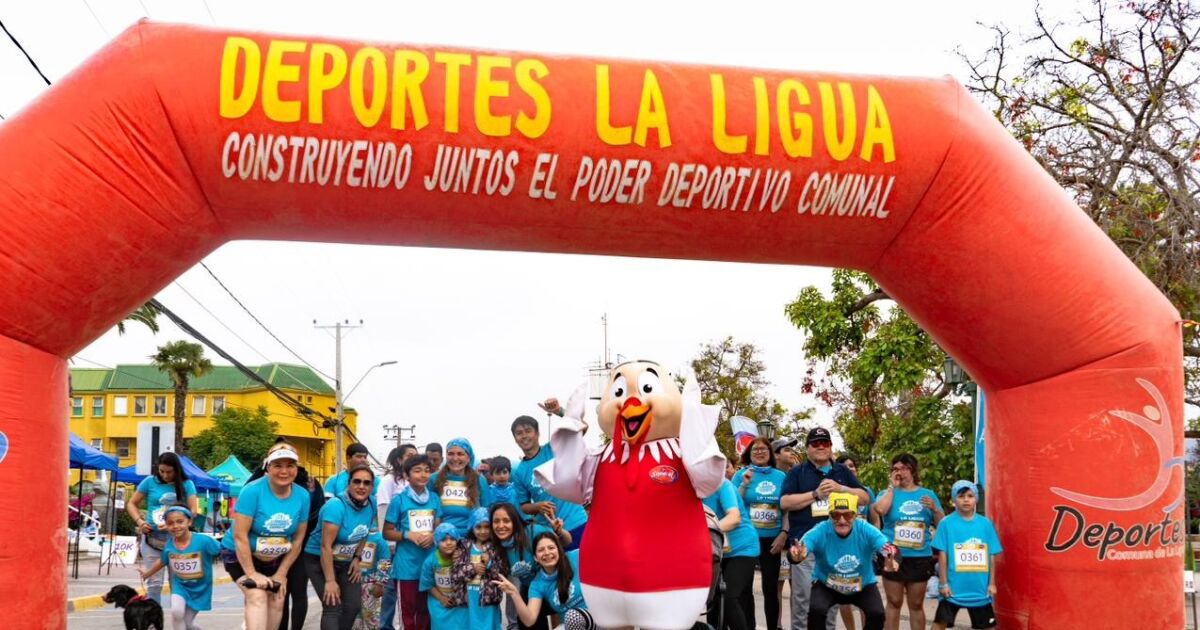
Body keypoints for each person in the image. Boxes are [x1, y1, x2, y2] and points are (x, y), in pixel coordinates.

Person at [780, 427, 870, 630]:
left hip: (835, 548)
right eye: (815, 443)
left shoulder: (842, 472)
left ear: (830, 447)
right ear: (808, 448)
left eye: (825, 443)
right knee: (803, 600)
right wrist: (815, 494)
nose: (821, 446)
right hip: (805, 546)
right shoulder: (797, 472)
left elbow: (865, 498)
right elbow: (785, 502)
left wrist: (842, 489)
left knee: (830, 604)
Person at [223, 442, 311, 630]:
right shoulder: (252, 491)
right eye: (277, 465)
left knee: (277, 597)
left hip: (275, 559)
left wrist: (281, 573)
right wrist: (252, 573)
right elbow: (240, 536)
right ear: (267, 468)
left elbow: (297, 539)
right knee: (257, 595)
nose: (284, 471)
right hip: (240, 554)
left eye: (290, 465)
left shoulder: (303, 496)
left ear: (296, 469)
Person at [790, 493, 897, 630]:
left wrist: (893, 560)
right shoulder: (821, 529)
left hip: (862, 585)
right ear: (829, 516)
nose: (841, 520)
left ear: (855, 516)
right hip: (827, 585)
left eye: (847, 515)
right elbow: (802, 547)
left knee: (877, 613)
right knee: (816, 610)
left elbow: (889, 548)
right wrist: (796, 556)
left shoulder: (865, 529)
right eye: (836, 515)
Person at [871, 453, 944, 630]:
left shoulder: (927, 494)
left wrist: (934, 509)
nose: (900, 472)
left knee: (916, 604)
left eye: (904, 468)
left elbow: (943, 523)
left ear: (912, 470)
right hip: (893, 554)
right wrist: (891, 488)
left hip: (920, 555)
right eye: (895, 469)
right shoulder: (886, 493)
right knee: (894, 602)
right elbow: (879, 509)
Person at [305, 464, 379, 630]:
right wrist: (330, 581)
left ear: (372, 487)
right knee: (332, 606)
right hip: (319, 558)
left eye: (366, 483)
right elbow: (325, 546)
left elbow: (365, 531)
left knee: (353, 606)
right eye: (357, 481)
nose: (361, 486)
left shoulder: (372, 503)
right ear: (349, 484)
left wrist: (357, 558)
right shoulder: (336, 506)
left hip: (345, 560)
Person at [127, 451, 199, 603]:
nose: (165, 475)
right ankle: (154, 622)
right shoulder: (149, 482)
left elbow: (193, 511)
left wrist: (176, 523)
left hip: (177, 541)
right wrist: (140, 522)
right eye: (162, 471)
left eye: (169, 472)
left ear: (177, 469)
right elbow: (131, 503)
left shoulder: (187, 484)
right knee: (154, 584)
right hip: (152, 539)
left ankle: (180, 620)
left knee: (177, 583)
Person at [512, 411, 588, 550]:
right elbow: (524, 505)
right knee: (565, 570)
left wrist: (559, 411)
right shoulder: (519, 472)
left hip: (577, 521)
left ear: (537, 433)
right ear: (515, 439)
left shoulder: (554, 447)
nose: (524, 436)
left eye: (528, 431)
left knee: (588, 566)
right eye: (519, 433)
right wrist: (537, 506)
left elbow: (581, 428)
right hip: (551, 532)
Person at [139, 505, 222, 630]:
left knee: (188, 623)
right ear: (165, 525)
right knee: (176, 612)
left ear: (189, 522)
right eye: (170, 523)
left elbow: (224, 551)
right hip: (180, 586)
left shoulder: (204, 541)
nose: (175, 526)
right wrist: (147, 574)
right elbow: (162, 561)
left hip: (200, 589)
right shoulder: (169, 545)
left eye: (180, 522)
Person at [931, 481, 1001, 630]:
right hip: (953, 588)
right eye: (961, 496)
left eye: (970, 496)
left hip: (979, 589)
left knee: (988, 626)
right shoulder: (946, 523)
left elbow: (992, 555)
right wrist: (943, 583)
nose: (966, 500)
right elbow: (942, 555)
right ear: (954, 499)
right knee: (939, 623)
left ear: (976, 498)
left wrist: (992, 583)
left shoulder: (986, 524)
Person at [735, 436, 787, 630]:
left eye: (763, 449)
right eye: (755, 449)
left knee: (771, 589)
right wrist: (744, 484)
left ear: (770, 454)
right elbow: (733, 504)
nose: (759, 452)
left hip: (772, 540)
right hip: (747, 540)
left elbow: (786, 508)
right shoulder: (741, 474)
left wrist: (784, 533)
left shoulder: (780, 476)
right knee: (745, 589)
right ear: (749, 453)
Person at [490, 502, 570, 630]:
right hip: (532, 589)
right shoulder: (496, 548)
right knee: (526, 623)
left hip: (557, 583)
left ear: (515, 521)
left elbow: (566, 542)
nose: (501, 526)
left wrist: (560, 532)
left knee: (569, 617)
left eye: (506, 521)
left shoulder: (533, 532)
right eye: (496, 521)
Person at [384, 455, 441, 630]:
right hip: (407, 567)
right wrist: (409, 535)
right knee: (408, 613)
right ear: (407, 476)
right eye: (417, 471)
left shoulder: (434, 499)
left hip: (429, 564)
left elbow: (438, 527)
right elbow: (386, 532)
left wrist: (433, 536)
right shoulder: (398, 501)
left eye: (426, 470)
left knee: (426, 611)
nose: (423, 475)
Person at [494, 531, 595, 630]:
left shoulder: (575, 556)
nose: (547, 553)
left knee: (572, 616)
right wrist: (514, 593)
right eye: (541, 550)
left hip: (597, 615)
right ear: (535, 558)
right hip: (571, 625)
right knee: (571, 617)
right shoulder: (537, 584)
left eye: (551, 548)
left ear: (558, 550)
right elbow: (529, 620)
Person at [703, 462, 759, 630]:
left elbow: (734, 518)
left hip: (743, 548)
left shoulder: (722, 484)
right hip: (716, 551)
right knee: (712, 601)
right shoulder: (690, 488)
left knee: (729, 598)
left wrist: (702, 535)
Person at [377, 443, 418, 630]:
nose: (413, 458)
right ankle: (385, 626)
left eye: (415, 455)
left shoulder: (413, 482)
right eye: (409, 455)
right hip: (389, 546)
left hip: (407, 546)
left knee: (405, 592)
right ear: (399, 459)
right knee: (388, 589)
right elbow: (383, 513)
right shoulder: (389, 481)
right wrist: (388, 543)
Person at [455, 507, 503, 629]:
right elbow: (456, 572)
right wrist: (473, 569)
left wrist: (490, 563)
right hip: (469, 599)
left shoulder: (495, 548)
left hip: (488, 600)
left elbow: (502, 574)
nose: (483, 531)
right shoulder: (465, 546)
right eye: (478, 527)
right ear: (472, 527)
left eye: (487, 527)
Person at [430, 437, 492, 530]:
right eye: (451, 454)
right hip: (443, 538)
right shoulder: (434, 479)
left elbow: (486, 510)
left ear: (468, 458)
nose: (455, 458)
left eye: (460, 454)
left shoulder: (479, 480)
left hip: (471, 537)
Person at [420, 523, 468, 629]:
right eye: (443, 540)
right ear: (436, 542)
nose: (449, 543)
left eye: (452, 539)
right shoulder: (430, 562)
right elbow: (428, 584)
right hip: (439, 604)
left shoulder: (463, 558)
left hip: (460, 604)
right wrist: (441, 598)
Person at [353, 530, 393, 630]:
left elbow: (385, 561)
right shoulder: (353, 535)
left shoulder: (378, 539)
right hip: (353, 584)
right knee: (354, 619)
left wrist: (380, 583)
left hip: (371, 585)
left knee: (372, 619)